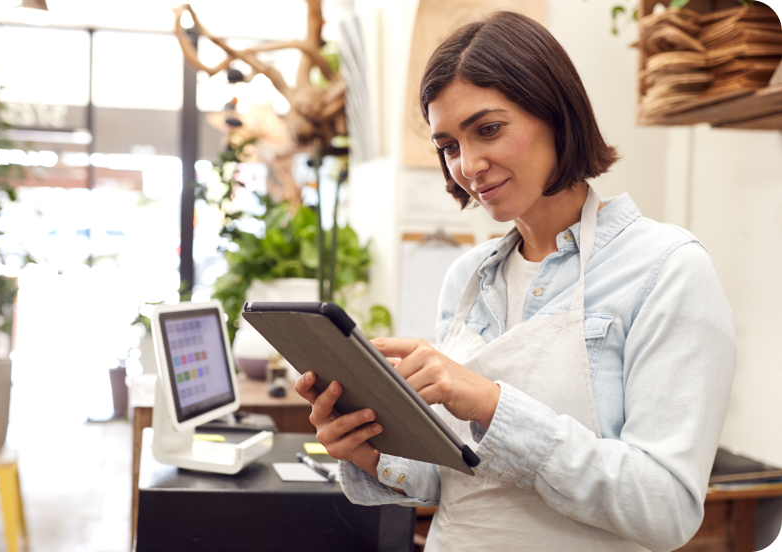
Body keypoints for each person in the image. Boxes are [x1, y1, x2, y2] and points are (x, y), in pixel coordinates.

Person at [294, 10, 736, 552]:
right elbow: (459, 476)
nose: (469, 165)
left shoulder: (667, 269)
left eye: (488, 129)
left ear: (556, 113)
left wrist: (491, 404)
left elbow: (666, 509)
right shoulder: (468, 277)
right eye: (449, 145)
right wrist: (371, 451)